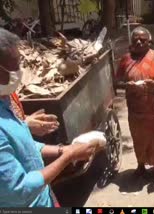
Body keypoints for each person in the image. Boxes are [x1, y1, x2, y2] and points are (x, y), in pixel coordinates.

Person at [0, 28, 97, 207]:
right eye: (14, 68)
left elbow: (23, 147)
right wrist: (68, 158)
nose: (19, 73)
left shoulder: (4, 101)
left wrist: (63, 150)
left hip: (44, 200)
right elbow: (19, 190)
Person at [116, 27, 154, 181]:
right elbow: (117, 81)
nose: (139, 42)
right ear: (131, 42)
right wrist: (128, 85)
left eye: (143, 39)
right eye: (136, 40)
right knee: (138, 137)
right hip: (135, 109)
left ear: (149, 41)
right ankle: (141, 166)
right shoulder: (126, 59)